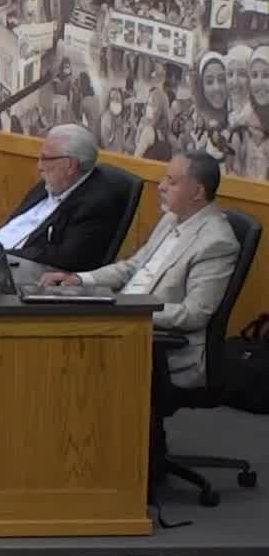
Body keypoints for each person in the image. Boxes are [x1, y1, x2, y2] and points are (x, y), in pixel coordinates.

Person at [42, 152, 238, 391]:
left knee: (65, 356)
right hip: (122, 319)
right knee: (52, 325)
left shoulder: (217, 242)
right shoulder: (172, 218)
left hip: (156, 345)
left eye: (172, 182)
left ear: (197, 192)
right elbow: (132, 266)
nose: (161, 187)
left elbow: (193, 314)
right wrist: (79, 279)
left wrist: (130, 310)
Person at [0, 124, 125, 273]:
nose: (39, 166)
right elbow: (15, 225)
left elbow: (64, 259)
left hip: (18, 271)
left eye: (45, 159)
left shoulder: (94, 206)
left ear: (70, 165)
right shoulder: (49, 184)